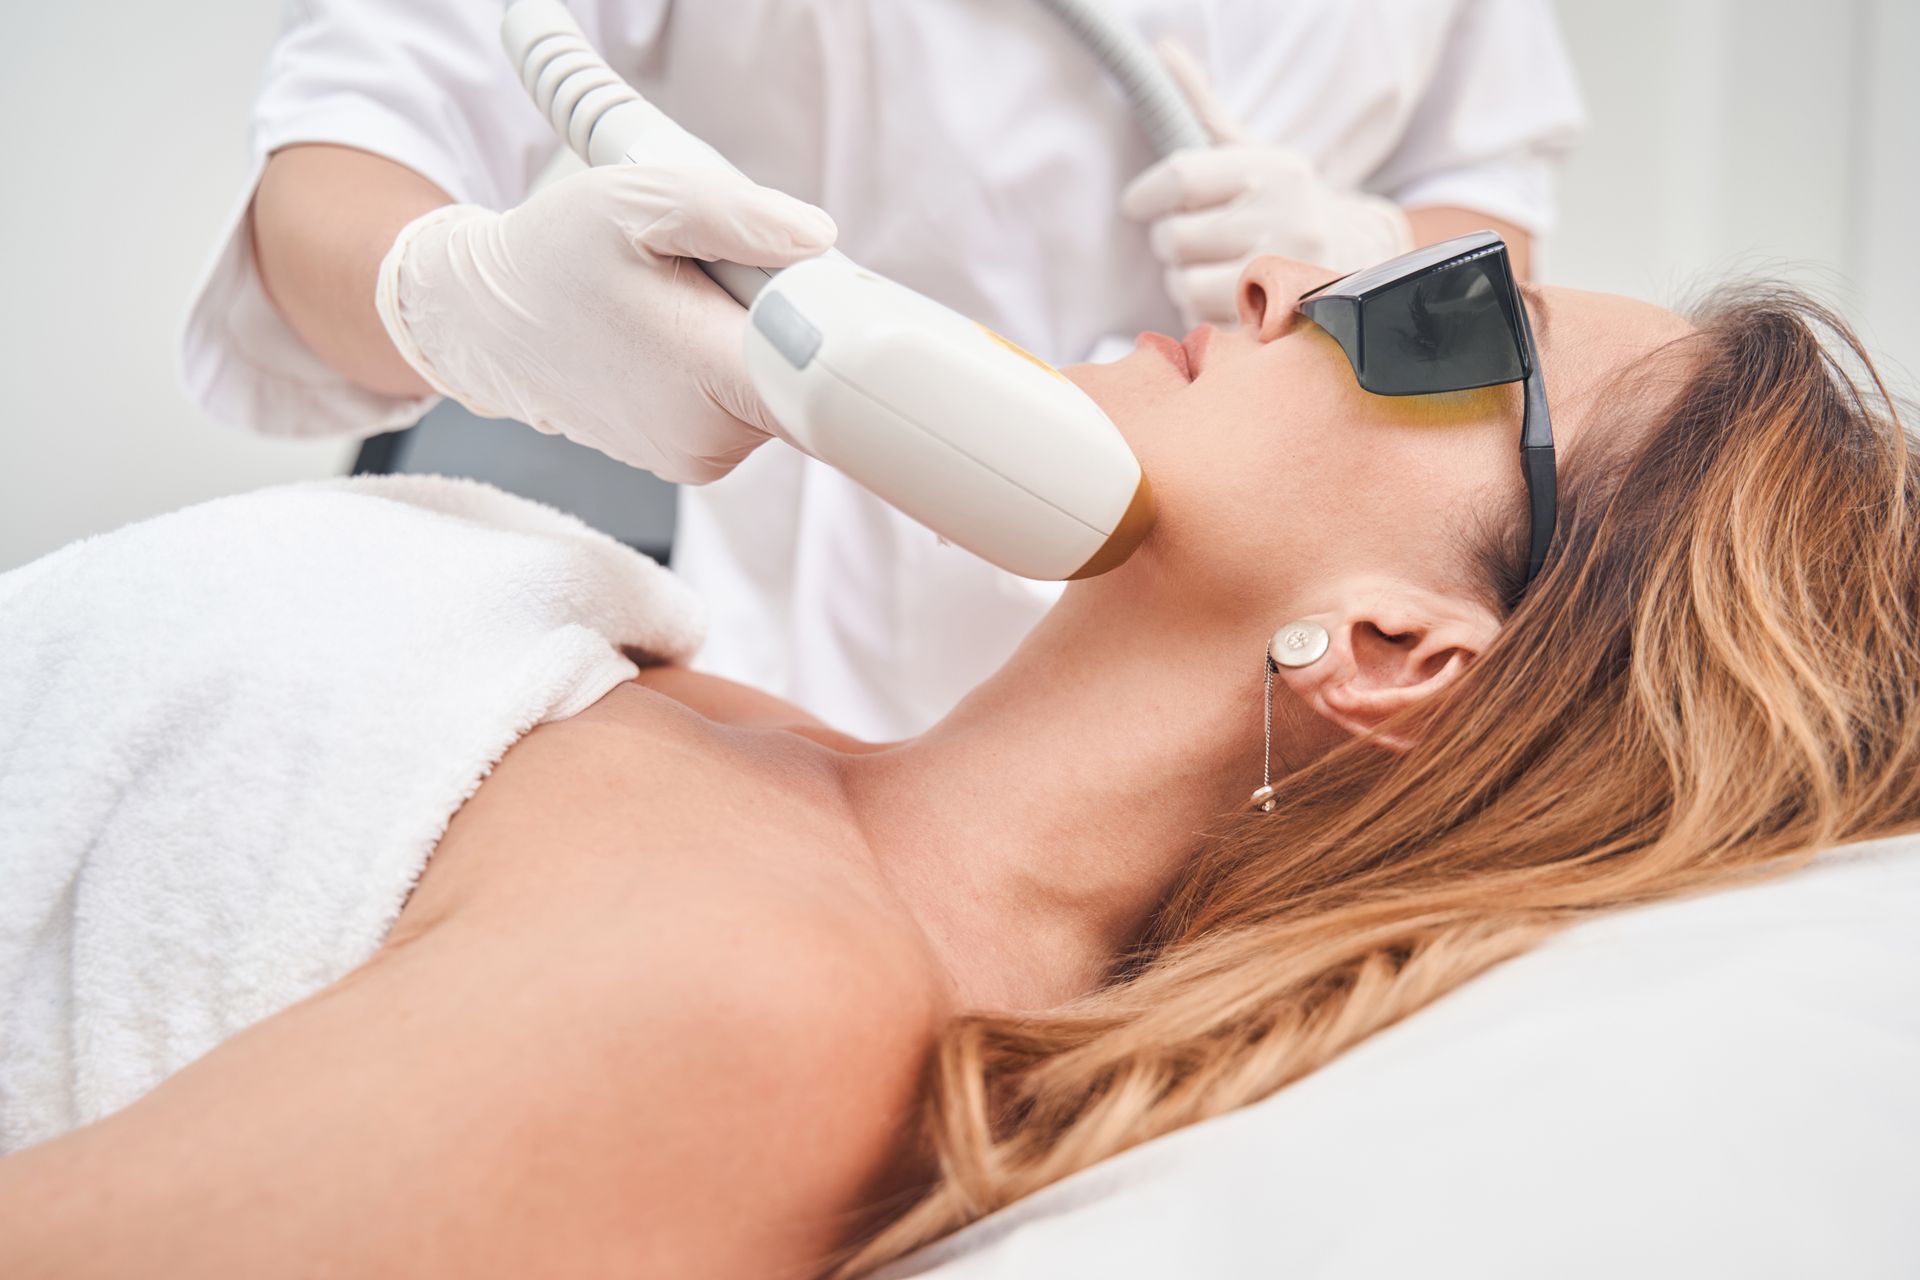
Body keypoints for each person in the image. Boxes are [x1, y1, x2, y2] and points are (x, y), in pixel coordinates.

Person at [8, 247, 1916, 1277]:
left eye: (1445, 316)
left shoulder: (754, 1005)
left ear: (1401, 650)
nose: (1284, 279)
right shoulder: (771, 775)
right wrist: (452, 291)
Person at [183, 0, 1584, 740]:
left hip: (1246, 689)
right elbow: (352, 143)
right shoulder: (669, 820)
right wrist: (454, 295)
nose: (1285, 291)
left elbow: (1499, 263)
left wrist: (1379, 247)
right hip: (809, 602)